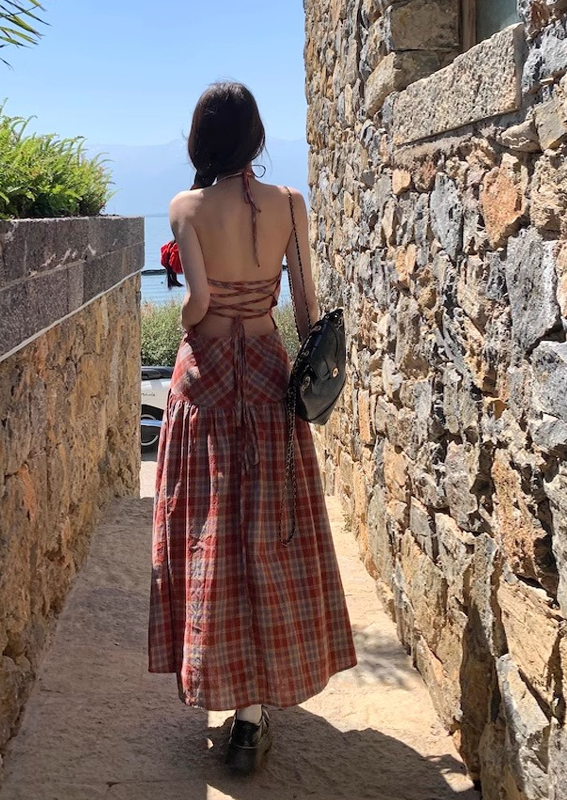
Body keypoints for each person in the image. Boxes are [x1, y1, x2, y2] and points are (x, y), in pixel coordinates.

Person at [148, 81, 357, 774]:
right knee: (267, 534)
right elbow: (308, 311)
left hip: (205, 385)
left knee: (209, 532)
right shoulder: (291, 204)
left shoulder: (185, 207)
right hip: (267, 377)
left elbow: (198, 304)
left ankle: (221, 681)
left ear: (200, 140)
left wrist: (191, 309)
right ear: (257, 139)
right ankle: (251, 716)